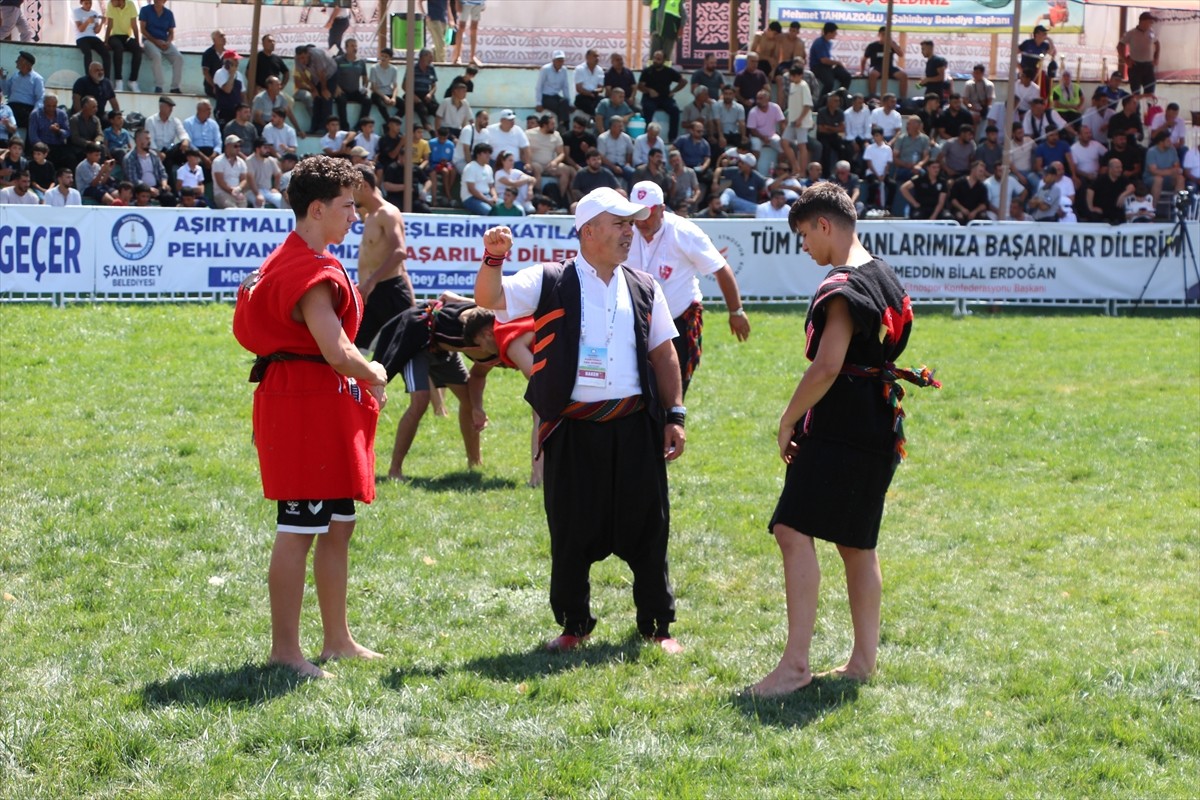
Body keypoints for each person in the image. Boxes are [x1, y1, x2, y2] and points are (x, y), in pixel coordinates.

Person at [473, 188, 687, 653]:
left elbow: (664, 352)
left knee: (650, 529)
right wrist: (493, 258)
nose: (629, 232)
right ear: (588, 232)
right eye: (620, 224)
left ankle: (657, 627)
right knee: (569, 531)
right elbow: (490, 298)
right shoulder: (550, 278)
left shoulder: (644, 284)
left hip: (634, 426)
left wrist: (674, 414)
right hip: (571, 428)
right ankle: (573, 626)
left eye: (632, 224)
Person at [749, 181, 940, 697]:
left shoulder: (844, 284)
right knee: (857, 543)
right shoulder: (885, 276)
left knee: (791, 529)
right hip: (879, 421)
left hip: (844, 423)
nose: (803, 246)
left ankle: (794, 666)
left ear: (824, 225)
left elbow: (827, 365)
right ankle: (862, 663)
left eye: (803, 234)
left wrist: (788, 418)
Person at [232, 155, 387, 680]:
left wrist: (358, 374)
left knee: (338, 526)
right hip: (303, 407)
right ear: (317, 208)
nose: (355, 217)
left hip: (321, 406)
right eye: (348, 207)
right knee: (299, 528)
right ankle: (285, 651)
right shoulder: (308, 269)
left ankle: (338, 640)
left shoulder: (304, 258)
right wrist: (375, 373)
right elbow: (336, 349)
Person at [372, 299, 494, 480]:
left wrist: (478, 407)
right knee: (420, 401)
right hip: (418, 345)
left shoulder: (490, 325)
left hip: (444, 350)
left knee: (469, 401)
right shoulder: (466, 327)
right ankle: (394, 470)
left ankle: (474, 463)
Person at [638, 50, 685, 142]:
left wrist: (673, 91)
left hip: (665, 98)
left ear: (663, 60)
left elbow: (683, 81)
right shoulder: (647, 71)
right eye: (655, 58)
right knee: (648, 109)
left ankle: (672, 138)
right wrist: (649, 90)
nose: (656, 61)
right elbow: (640, 86)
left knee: (675, 110)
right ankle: (646, 136)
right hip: (650, 98)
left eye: (658, 59)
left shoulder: (669, 71)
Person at [138, 0, 184, 94]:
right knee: (156, 55)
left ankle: (175, 87)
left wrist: (168, 42)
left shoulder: (169, 13)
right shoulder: (145, 10)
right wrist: (155, 41)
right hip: (149, 41)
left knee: (179, 57)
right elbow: (142, 30)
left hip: (164, 41)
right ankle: (159, 86)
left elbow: (171, 33)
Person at [333, 38, 371, 131]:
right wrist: (337, 87)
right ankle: (344, 127)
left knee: (368, 101)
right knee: (341, 101)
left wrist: (365, 87)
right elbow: (332, 75)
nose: (355, 48)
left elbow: (365, 78)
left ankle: (360, 126)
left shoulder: (361, 62)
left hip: (355, 91)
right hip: (342, 90)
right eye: (352, 46)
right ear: (346, 48)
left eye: (356, 46)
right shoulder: (338, 60)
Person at [1119, 12, 1159, 97]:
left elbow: (1157, 44)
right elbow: (1120, 46)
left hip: (1148, 66)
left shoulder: (1151, 32)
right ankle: (1135, 109)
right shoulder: (1131, 33)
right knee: (1135, 94)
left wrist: (1156, 58)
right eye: (1150, 22)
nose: (1151, 24)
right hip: (1135, 66)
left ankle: (1149, 109)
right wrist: (1126, 60)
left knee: (1150, 94)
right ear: (1142, 21)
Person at [810, 22, 852, 101]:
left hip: (827, 67)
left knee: (846, 76)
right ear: (829, 33)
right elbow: (823, 60)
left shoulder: (828, 43)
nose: (836, 34)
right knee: (829, 82)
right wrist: (838, 62)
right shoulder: (819, 42)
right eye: (835, 32)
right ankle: (822, 102)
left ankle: (841, 98)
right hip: (818, 67)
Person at [861, 26, 906, 99]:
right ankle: (872, 97)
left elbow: (901, 54)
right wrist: (862, 72)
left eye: (887, 34)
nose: (885, 36)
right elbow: (864, 59)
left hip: (889, 67)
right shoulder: (873, 46)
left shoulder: (892, 45)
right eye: (883, 34)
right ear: (879, 35)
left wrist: (892, 44)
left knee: (903, 75)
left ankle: (903, 98)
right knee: (873, 74)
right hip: (876, 67)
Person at [2, 51, 43, 130]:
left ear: (25, 63)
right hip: (11, 108)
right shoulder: (15, 75)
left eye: (18, 60)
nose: (16, 62)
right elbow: (6, 92)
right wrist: (3, 79)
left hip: (26, 110)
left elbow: (40, 98)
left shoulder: (37, 79)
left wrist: (34, 112)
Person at [73, 0, 112, 82]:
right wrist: (87, 22)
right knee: (88, 54)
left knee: (106, 54)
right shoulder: (76, 12)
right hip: (81, 37)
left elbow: (96, 31)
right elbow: (80, 29)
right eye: (86, 3)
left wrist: (102, 22)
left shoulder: (94, 13)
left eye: (90, 3)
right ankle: (89, 77)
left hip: (93, 37)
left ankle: (106, 78)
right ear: (81, 3)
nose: (88, 5)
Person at [535, 50, 573, 130]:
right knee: (561, 108)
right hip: (546, 97)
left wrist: (569, 103)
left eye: (562, 60)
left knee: (565, 102)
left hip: (556, 96)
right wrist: (538, 103)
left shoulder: (564, 70)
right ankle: (563, 126)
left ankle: (563, 125)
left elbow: (565, 87)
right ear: (553, 61)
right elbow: (539, 86)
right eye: (558, 60)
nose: (560, 63)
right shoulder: (545, 69)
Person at [451, 0, 485, 67]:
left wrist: (484, 2)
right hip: (465, 3)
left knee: (474, 28)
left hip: (478, 3)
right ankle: (458, 57)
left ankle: (472, 57)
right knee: (461, 27)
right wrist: (457, 2)